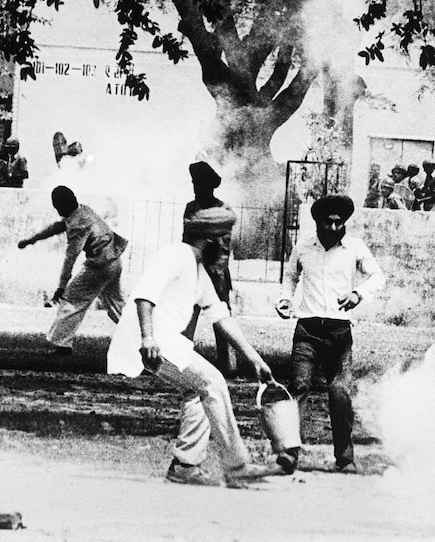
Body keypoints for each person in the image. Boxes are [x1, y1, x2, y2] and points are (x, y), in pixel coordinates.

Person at [108, 206, 278, 487]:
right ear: (210, 240)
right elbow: (144, 296)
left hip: (165, 341)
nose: (227, 249)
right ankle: (237, 466)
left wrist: (255, 360)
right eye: (225, 241)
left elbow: (221, 317)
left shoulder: (198, 270)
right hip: (152, 339)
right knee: (212, 381)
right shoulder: (175, 254)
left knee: (198, 392)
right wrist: (147, 338)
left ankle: (185, 466)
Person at [275, 195, 385, 472]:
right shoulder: (303, 248)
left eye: (340, 222)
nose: (335, 228)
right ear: (318, 222)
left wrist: (358, 294)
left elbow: (377, 276)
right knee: (298, 387)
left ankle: (345, 458)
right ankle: (289, 453)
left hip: (339, 331)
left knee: (339, 392)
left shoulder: (354, 247)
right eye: (329, 222)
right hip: (307, 330)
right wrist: (285, 300)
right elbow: (290, 277)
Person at [18, 186, 128, 355]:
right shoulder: (83, 211)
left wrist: (61, 286)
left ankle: (62, 345)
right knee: (116, 305)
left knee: (71, 299)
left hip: (99, 266)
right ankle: (142, 334)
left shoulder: (78, 225)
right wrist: (32, 240)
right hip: (114, 262)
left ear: (59, 206)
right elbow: (59, 227)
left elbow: (71, 257)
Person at [182, 161, 238, 375]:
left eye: (200, 184)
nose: (196, 188)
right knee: (187, 314)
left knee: (221, 318)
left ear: (210, 186)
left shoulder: (223, 210)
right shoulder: (191, 207)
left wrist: (215, 272)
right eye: (194, 183)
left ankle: (228, 363)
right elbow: (186, 239)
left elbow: (224, 247)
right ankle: (181, 358)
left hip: (216, 272)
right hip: (194, 268)